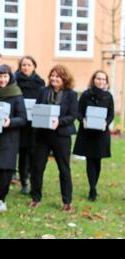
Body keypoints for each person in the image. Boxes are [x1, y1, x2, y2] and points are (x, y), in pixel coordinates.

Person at [30, 64, 78, 212]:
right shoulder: (43, 91)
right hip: (42, 135)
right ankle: (36, 198)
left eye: (57, 76)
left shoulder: (71, 94)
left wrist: (59, 122)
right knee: (37, 168)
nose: (53, 78)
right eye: (52, 75)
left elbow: (72, 116)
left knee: (64, 168)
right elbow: (37, 108)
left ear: (64, 78)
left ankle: (67, 201)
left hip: (61, 135)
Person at [73, 70, 115, 202]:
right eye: (98, 78)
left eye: (103, 79)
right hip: (87, 133)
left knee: (98, 160)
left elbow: (111, 114)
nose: (100, 81)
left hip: (101, 133)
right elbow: (78, 112)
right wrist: (83, 121)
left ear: (106, 82)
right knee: (90, 160)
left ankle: (94, 185)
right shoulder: (85, 95)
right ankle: (92, 188)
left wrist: (106, 123)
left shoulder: (109, 96)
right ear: (93, 80)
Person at [0, 64, 27, 212]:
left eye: (5, 76)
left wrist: (10, 122)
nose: (2, 80)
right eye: (0, 76)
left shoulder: (16, 94)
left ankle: (2, 198)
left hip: (9, 138)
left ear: (10, 77)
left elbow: (23, 118)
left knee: (6, 170)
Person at [14, 56, 46, 194]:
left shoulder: (40, 82)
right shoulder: (15, 81)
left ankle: (34, 183)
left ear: (34, 66)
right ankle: (24, 182)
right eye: (23, 65)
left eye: (28, 65)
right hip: (21, 123)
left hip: (35, 123)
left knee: (34, 154)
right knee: (22, 154)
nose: (26, 67)